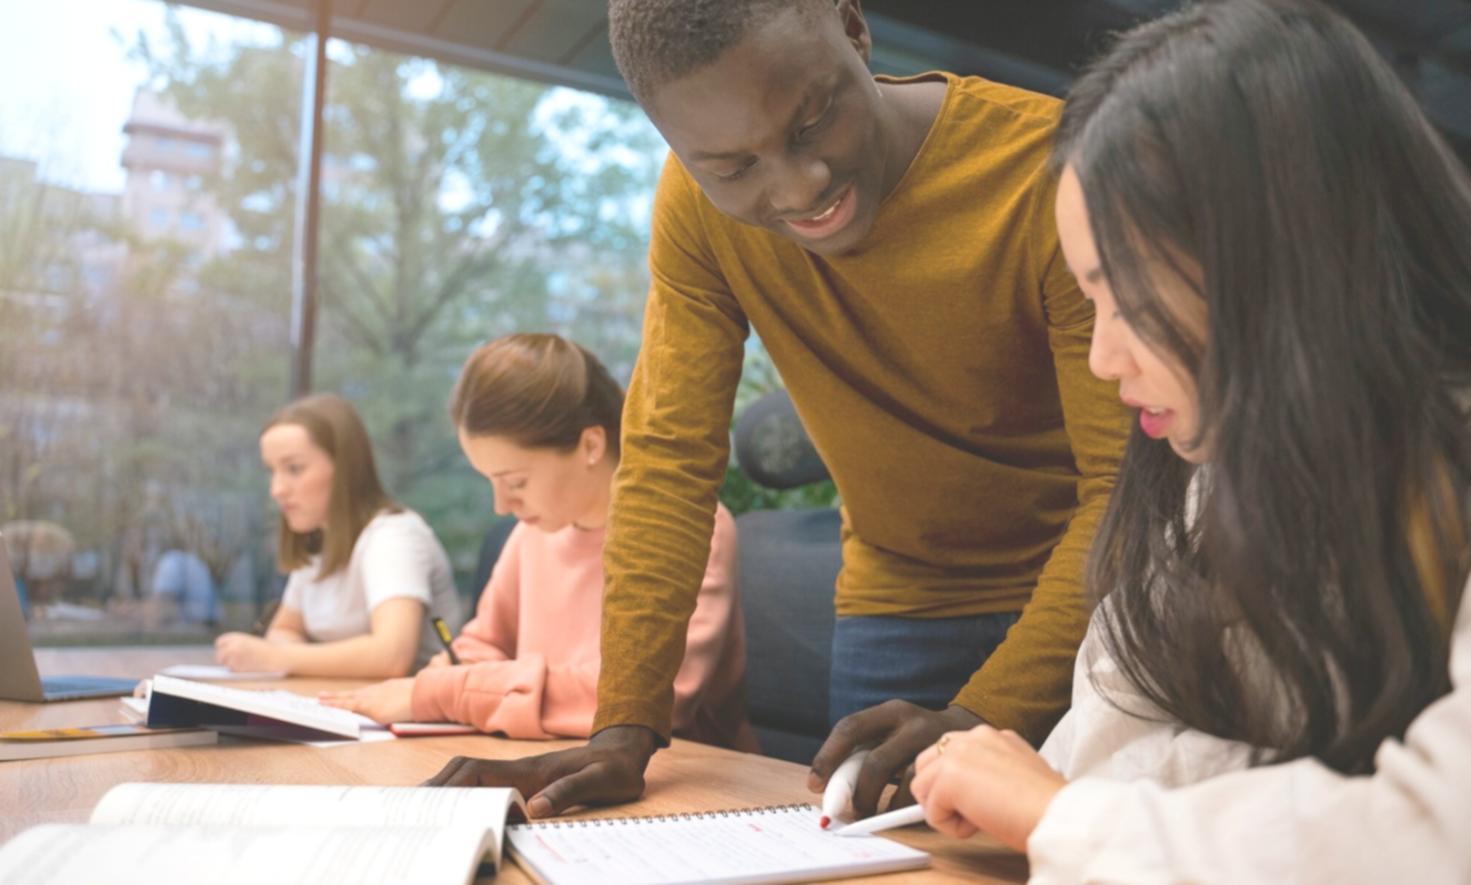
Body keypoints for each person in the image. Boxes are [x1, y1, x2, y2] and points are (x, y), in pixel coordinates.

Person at [422, 0, 1130, 818]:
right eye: (731, 168)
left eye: (812, 122)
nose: (800, 188)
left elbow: (1121, 488)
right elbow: (665, 462)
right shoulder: (693, 209)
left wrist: (984, 713)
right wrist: (624, 727)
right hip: (899, 600)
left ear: (852, 28)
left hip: (1089, 596)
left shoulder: (1049, 166)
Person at [909, 1, 1471, 880]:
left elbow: (1433, 835)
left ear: (1281, 257)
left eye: (1124, 295)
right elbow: (1088, 767)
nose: (1100, 358)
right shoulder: (1208, 480)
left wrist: (1084, 816)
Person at [321, 335, 756, 749]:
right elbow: (484, 645)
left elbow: (640, 700)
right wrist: (457, 671)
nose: (501, 505)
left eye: (516, 481)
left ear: (590, 445)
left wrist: (446, 692)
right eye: (491, 482)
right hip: (543, 753)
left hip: (676, 782)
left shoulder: (688, 528)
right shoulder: (534, 533)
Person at [214, 393, 462, 677]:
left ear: (345, 468)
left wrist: (280, 656)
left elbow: (392, 656)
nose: (277, 489)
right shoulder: (319, 544)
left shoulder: (394, 536)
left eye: (294, 468)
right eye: (272, 471)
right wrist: (287, 653)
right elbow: (283, 629)